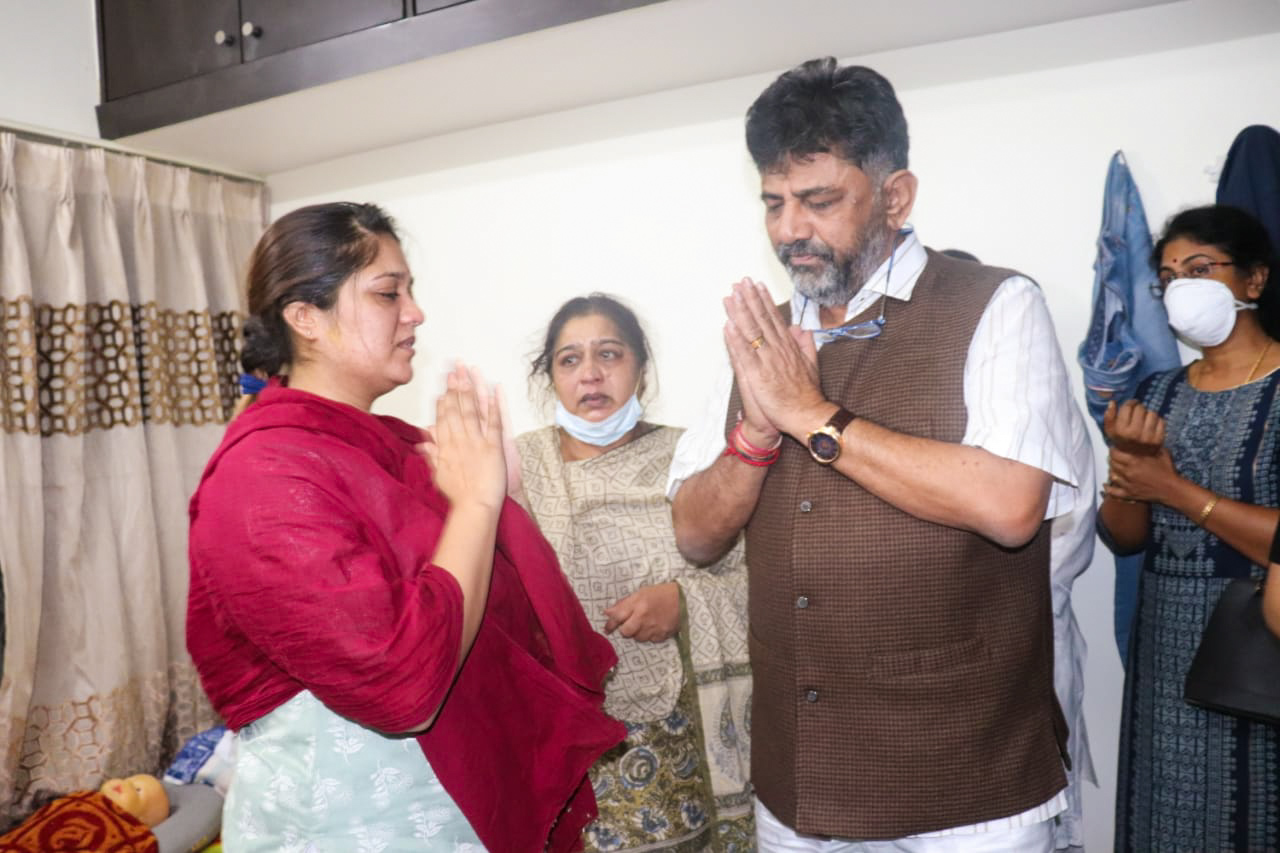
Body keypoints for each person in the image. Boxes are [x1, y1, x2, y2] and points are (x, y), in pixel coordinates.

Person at [668, 58, 1095, 851]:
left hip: (968, 786)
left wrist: (813, 416)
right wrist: (756, 437)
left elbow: (1009, 505)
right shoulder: (763, 338)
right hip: (800, 787)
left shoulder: (998, 305)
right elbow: (694, 534)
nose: (789, 228)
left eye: (819, 199)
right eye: (774, 202)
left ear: (895, 196)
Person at [186, 202, 624, 852]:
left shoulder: (393, 450)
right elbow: (402, 684)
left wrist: (503, 499)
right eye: (388, 293)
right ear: (305, 317)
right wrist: (476, 505)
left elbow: (496, 610)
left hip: (459, 811)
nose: (415, 312)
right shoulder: (262, 475)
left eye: (410, 291)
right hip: (348, 828)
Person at [515, 294, 753, 852]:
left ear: (641, 367)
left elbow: (756, 577)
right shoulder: (517, 469)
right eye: (570, 360)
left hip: (681, 746)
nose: (591, 374)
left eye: (609, 354)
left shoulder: (694, 460)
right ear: (550, 378)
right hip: (559, 742)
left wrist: (685, 602)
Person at [1099, 204, 1280, 852]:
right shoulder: (1157, 392)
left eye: (1200, 269)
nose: (1182, 288)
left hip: (1260, 656)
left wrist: (1172, 487)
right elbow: (1125, 537)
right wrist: (1129, 468)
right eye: (1169, 277)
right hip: (1165, 655)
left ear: (1254, 279)